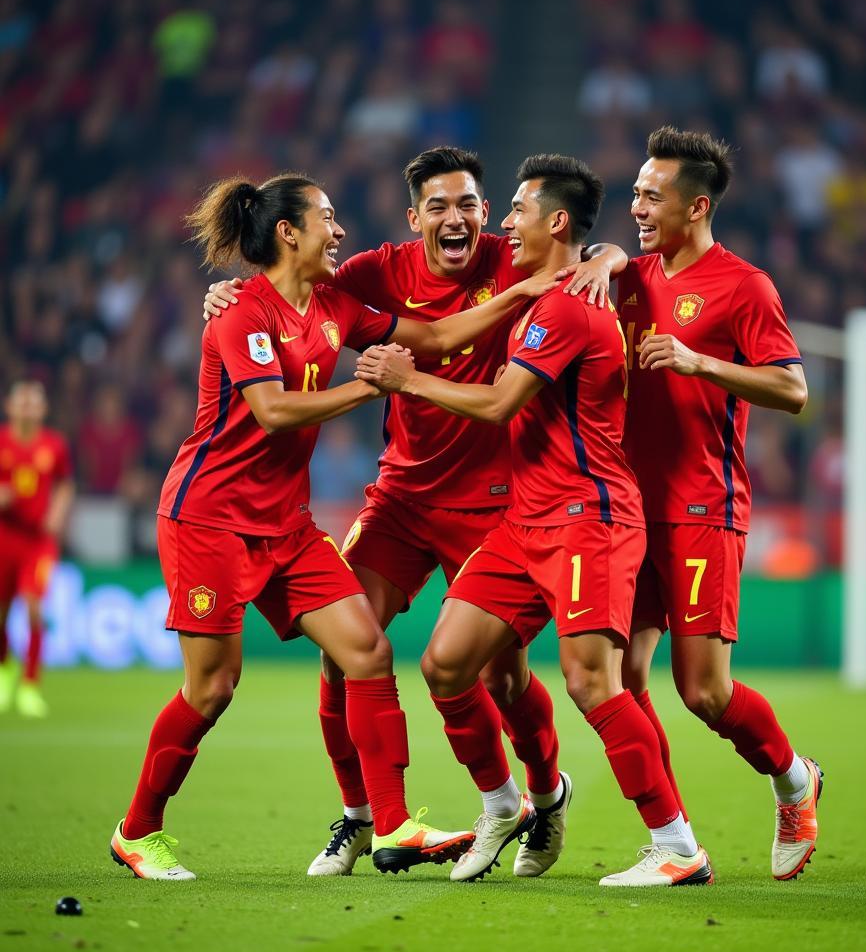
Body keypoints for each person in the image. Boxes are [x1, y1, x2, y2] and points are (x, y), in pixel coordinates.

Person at [112, 171, 552, 880]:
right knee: (212, 688)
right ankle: (138, 830)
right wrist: (370, 384)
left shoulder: (334, 306)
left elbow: (435, 334)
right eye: (326, 217)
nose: (339, 230)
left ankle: (392, 823)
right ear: (289, 233)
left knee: (365, 652)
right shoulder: (241, 313)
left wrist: (519, 295)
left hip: (285, 524)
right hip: (210, 521)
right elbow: (274, 410)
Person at [203, 147, 626, 878]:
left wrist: (608, 259)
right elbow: (284, 285)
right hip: (400, 499)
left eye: (467, 203)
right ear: (414, 218)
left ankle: (544, 794)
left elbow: (599, 248)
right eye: (438, 206)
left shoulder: (517, 255)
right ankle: (362, 816)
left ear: (487, 213)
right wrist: (222, 295)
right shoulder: (372, 272)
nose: (454, 217)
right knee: (347, 656)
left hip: (498, 504)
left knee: (501, 677)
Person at [356, 154, 712, 887]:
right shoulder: (546, 291)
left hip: (589, 517)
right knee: (448, 664)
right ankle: (504, 803)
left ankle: (676, 845)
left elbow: (495, 403)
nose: (502, 223)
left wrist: (406, 379)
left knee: (590, 682)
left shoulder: (567, 308)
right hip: (527, 518)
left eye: (514, 210)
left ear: (554, 221)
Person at [618, 126, 821, 881]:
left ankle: (794, 780)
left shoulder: (745, 286)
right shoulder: (627, 278)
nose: (636, 205)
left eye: (651, 195)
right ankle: (672, 843)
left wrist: (700, 360)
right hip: (627, 511)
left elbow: (793, 390)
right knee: (614, 679)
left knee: (702, 691)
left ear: (696, 205)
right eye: (635, 192)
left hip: (704, 507)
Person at [0, 380, 74, 719]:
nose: (28, 409)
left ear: (43, 410)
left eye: (34, 403)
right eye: (23, 403)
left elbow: (65, 483)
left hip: (38, 542)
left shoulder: (54, 445)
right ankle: (4, 672)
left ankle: (30, 685)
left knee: (33, 606)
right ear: (10, 407)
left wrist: (57, 511)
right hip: (5, 535)